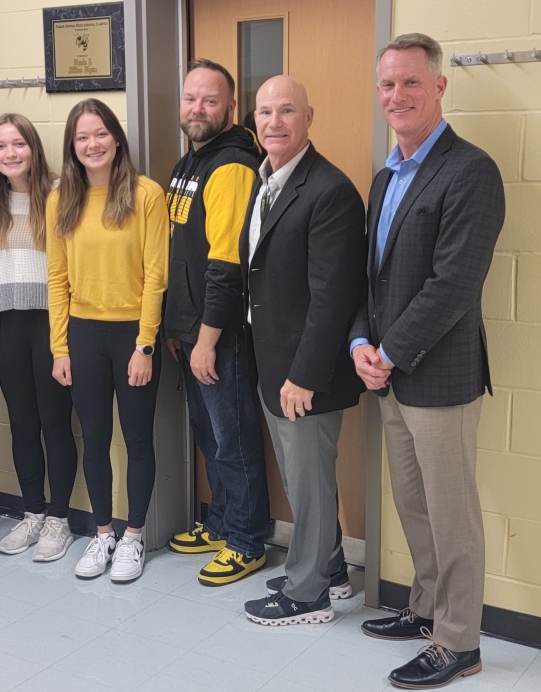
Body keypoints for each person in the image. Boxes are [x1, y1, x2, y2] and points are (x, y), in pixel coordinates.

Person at [350, 34, 504, 689]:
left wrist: (387, 351)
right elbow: (371, 279)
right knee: (413, 505)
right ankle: (424, 610)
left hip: (438, 376)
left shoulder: (470, 170)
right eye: (387, 85)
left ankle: (459, 642)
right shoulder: (386, 173)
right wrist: (360, 342)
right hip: (389, 375)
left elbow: (454, 283)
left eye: (411, 83)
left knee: (451, 513)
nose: (397, 96)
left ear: (439, 87)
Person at [239, 76, 366, 625]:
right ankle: (330, 568)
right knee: (300, 476)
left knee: (308, 480)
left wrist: (304, 375)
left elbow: (333, 298)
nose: (274, 122)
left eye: (286, 110)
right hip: (273, 363)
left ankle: (307, 595)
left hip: (304, 372)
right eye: (265, 111)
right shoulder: (264, 180)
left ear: (309, 117)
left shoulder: (329, 189)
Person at [47, 98, 169, 582]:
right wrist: (60, 347)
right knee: (95, 438)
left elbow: (156, 274)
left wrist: (145, 345)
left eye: (100, 134)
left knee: (137, 439)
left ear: (116, 138)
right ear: (72, 147)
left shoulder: (146, 194)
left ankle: (133, 537)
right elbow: (57, 277)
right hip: (83, 334)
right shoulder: (61, 199)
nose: (92, 144)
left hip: (132, 337)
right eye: (82, 137)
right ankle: (102, 535)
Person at [164, 58, 270, 587]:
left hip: (219, 336)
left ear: (230, 107)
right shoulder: (192, 161)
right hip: (189, 333)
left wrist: (206, 339)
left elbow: (225, 266)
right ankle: (225, 524)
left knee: (233, 440)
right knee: (211, 436)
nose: (197, 109)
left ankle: (248, 542)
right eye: (190, 99)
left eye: (210, 100)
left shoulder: (230, 165)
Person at [0, 114, 79, 562]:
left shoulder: (60, 193)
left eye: (18, 144)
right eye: (0, 146)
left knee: (55, 421)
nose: (10, 154)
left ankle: (59, 520)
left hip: (51, 321)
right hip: (5, 324)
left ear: (33, 148)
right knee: (22, 422)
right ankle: (33, 513)